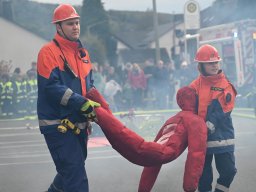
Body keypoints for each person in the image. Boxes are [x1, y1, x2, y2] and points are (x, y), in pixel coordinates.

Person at [85, 86, 207, 192]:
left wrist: (144, 190)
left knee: (117, 133)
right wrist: (189, 187)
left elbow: (154, 159)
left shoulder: (173, 118)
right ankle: (95, 109)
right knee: (119, 133)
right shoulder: (197, 121)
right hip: (162, 152)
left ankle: (94, 97)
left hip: (156, 151)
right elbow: (196, 155)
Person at [37, 4, 100, 192]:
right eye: (70, 23)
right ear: (58, 27)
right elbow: (50, 88)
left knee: (68, 173)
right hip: (58, 125)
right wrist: (81, 103)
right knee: (75, 176)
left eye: (77, 23)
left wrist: (100, 108)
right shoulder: (48, 52)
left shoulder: (83, 54)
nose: (76, 27)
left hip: (79, 125)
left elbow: (90, 87)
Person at [190, 44, 237, 192]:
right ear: (201, 65)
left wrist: (209, 125)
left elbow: (225, 108)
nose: (214, 65)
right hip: (201, 140)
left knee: (229, 171)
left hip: (222, 137)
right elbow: (189, 108)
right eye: (210, 63)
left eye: (216, 62)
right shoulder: (194, 86)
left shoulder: (226, 85)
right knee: (203, 177)